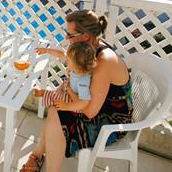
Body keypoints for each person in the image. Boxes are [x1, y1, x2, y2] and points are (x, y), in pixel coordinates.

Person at [20, 10, 133, 172]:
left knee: (57, 112)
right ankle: (38, 154)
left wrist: (68, 93)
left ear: (86, 35)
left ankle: (41, 159)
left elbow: (91, 112)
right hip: (95, 102)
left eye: (70, 35)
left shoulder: (103, 60)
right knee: (56, 108)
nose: (66, 38)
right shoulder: (86, 50)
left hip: (112, 118)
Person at [34, 41, 96, 111]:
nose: (66, 61)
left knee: (58, 98)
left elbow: (84, 102)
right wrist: (46, 50)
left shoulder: (82, 81)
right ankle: (45, 93)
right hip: (69, 90)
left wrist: (67, 106)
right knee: (58, 93)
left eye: (68, 61)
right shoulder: (77, 68)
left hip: (74, 104)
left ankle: (45, 93)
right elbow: (60, 55)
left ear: (78, 67)